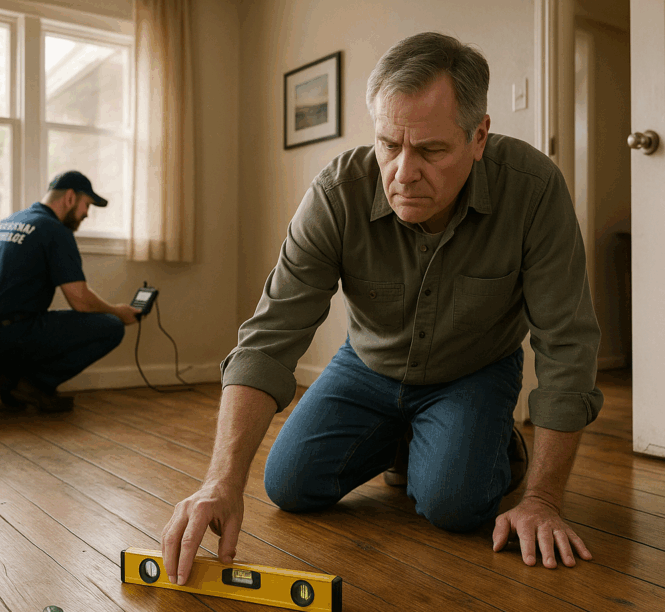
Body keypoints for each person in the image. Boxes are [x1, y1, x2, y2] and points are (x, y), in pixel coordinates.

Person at [162, 32, 603, 584]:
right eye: (389, 145)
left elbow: (567, 345)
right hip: (366, 364)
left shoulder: (535, 190)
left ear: (479, 136)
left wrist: (542, 499)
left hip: (473, 369)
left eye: (432, 150)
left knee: (454, 507)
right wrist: (220, 483)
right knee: (290, 486)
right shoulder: (337, 191)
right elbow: (271, 334)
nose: (403, 171)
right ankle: (413, 439)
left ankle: (486, 441)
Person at [0, 170, 139, 412]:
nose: (86, 214)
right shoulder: (55, 230)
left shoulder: (9, 222)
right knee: (110, 326)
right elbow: (80, 302)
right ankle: (33, 385)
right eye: (86, 205)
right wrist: (118, 312)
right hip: (13, 334)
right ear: (70, 197)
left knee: (46, 321)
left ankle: (8, 376)